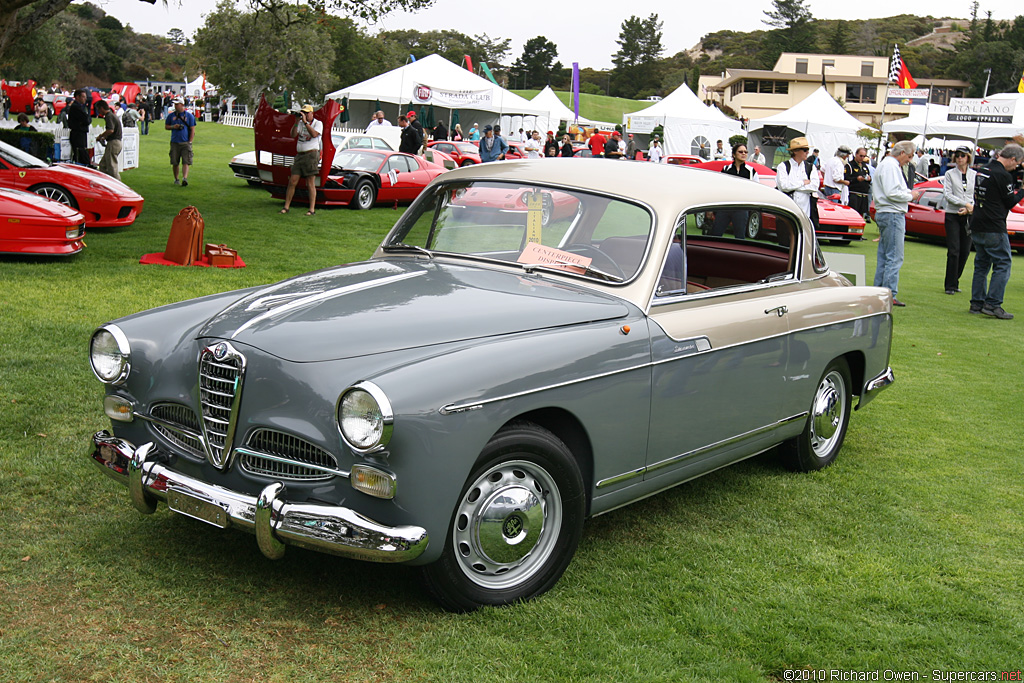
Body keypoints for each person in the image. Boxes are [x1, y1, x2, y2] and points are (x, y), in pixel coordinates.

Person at [969, 143, 1024, 319]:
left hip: (977, 222)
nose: (1016, 167)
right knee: (1003, 264)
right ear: (1012, 158)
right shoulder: (1003, 175)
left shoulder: (982, 170)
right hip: (994, 225)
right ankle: (993, 304)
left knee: (981, 264)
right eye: (1016, 164)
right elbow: (1010, 202)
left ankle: (976, 303)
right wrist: (1022, 190)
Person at [872, 139, 915, 307]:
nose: (909, 160)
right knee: (894, 256)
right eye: (909, 156)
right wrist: (911, 195)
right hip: (892, 213)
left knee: (884, 255)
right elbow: (892, 192)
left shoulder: (886, 164)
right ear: (902, 153)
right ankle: (889, 293)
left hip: (885, 212)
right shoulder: (891, 166)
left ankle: (879, 291)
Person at [939, 146, 976, 296]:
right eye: (957, 155)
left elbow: (976, 195)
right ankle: (950, 284)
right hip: (953, 214)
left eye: (963, 155)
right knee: (954, 250)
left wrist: (969, 208)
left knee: (965, 251)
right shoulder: (949, 174)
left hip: (968, 215)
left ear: (968, 157)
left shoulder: (974, 175)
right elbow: (947, 194)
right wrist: (964, 204)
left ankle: (956, 280)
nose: (960, 158)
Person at [279, 104, 323, 216]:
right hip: (300, 155)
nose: (305, 115)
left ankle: (311, 209)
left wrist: (305, 122)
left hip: (311, 154)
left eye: (307, 113)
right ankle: (286, 207)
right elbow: (293, 135)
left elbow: (314, 134)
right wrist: (296, 122)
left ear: (312, 113)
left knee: (310, 183)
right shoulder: (300, 123)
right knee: (292, 181)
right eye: (303, 112)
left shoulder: (318, 123)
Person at [712, 144, 761, 239]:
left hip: (741, 208)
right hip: (725, 207)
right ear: (734, 154)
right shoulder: (726, 169)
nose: (744, 154)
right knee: (716, 234)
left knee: (740, 237)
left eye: (745, 152)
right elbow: (719, 188)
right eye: (741, 151)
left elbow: (757, 189)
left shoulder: (751, 171)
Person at [775, 137, 820, 228]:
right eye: (805, 150)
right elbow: (784, 186)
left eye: (808, 149)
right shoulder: (783, 166)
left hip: (805, 213)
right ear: (795, 151)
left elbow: (814, 186)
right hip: (786, 211)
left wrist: (793, 186)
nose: (807, 152)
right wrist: (803, 182)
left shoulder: (811, 167)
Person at [165, 97, 196, 186]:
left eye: (177, 104)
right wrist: (173, 127)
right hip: (175, 141)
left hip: (185, 142)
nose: (175, 106)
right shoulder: (171, 116)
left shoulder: (189, 116)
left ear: (182, 105)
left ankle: (185, 178)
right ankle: (176, 179)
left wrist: (190, 141)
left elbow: (192, 129)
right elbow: (166, 126)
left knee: (186, 161)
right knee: (175, 162)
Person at [94, 100, 123, 181]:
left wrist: (101, 136)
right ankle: (104, 182)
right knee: (103, 165)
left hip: (113, 142)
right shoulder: (112, 115)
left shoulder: (108, 116)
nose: (98, 112)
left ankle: (118, 186)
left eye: (98, 110)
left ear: (102, 108)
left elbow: (110, 130)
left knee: (112, 166)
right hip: (116, 142)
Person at [847, 147, 873, 222]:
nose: (862, 158)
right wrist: (856, 179)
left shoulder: (865, 166)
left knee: (861, 216)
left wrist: (869, 179)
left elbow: (868, 177)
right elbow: (847, 179)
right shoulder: (850, 165)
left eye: (864, 156)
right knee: (852, 215)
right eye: (860, 156)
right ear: (856, 154)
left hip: (864, 194)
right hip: (854, 194)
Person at [68, 89, 92, 166]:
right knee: (80, 153)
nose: (85, 99)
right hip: (78, 134)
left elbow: (88, 119)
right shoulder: (76, 107)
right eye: (83, 97)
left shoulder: (81, 107)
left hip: (81, 133)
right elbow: (86, 119)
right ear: (77, 97)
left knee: (81, 152)